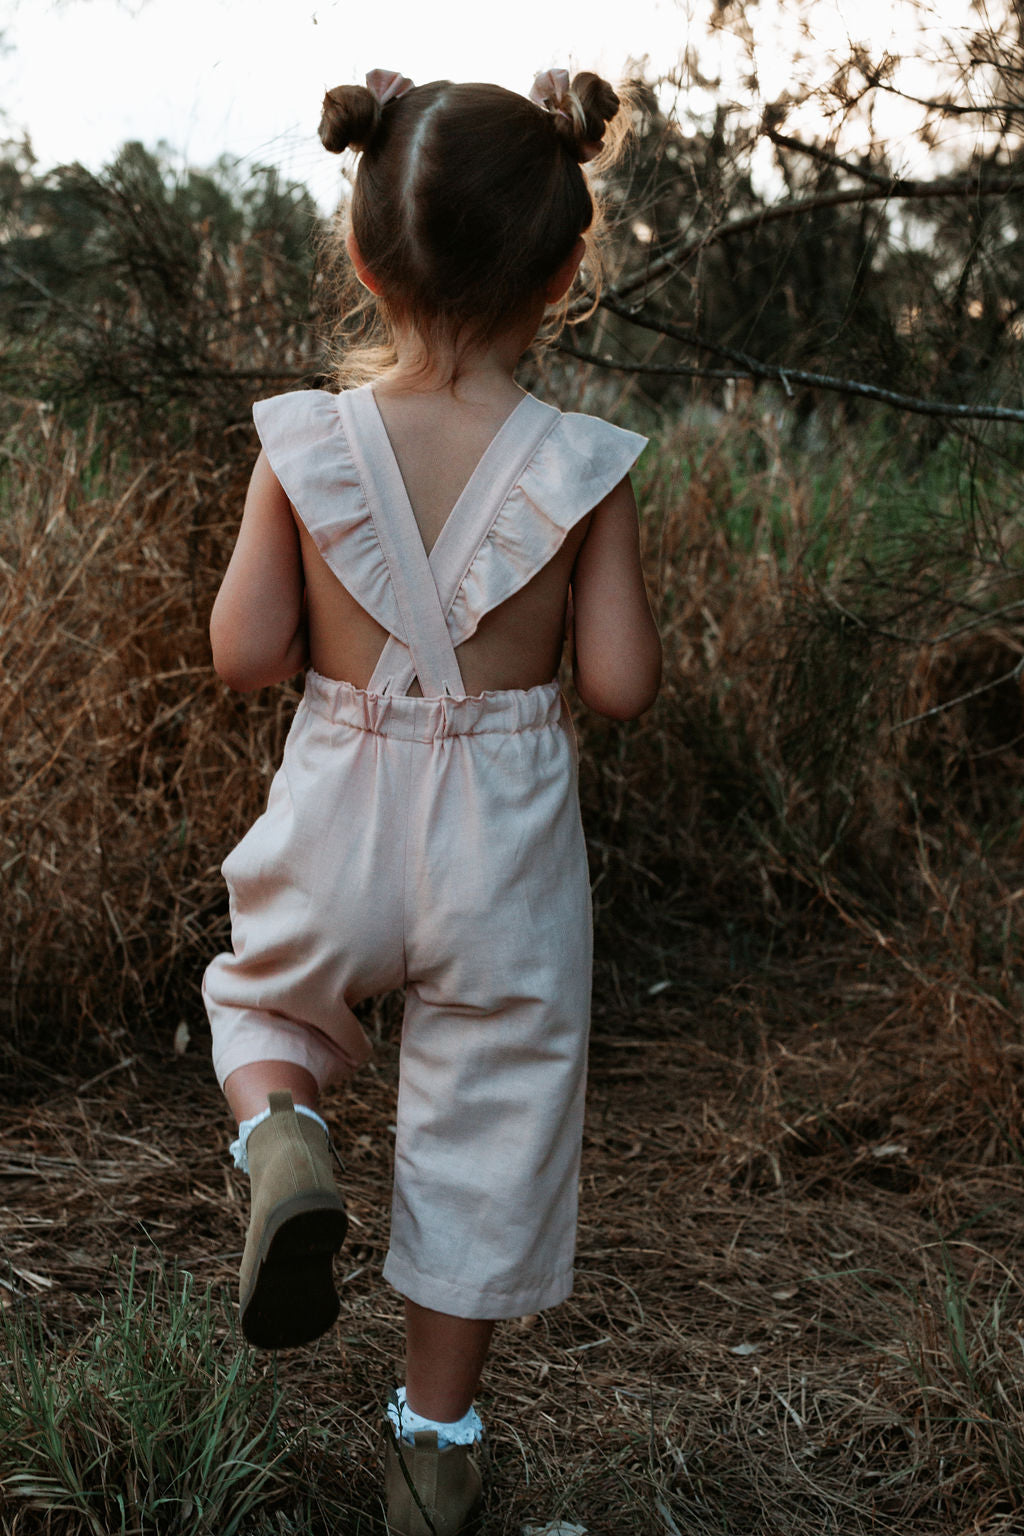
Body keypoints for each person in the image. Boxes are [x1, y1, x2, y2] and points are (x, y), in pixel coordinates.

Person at [202, 66, 662, 1536]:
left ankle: (280, 1139)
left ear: (360, 254)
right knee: (493, 1121)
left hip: (341, 795)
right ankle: (434, 1444)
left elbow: (244, 653)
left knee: (267, 1007)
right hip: (505, 841)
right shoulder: (586, 469)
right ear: (567, 266)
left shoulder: (303, 444)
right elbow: (620, 685)